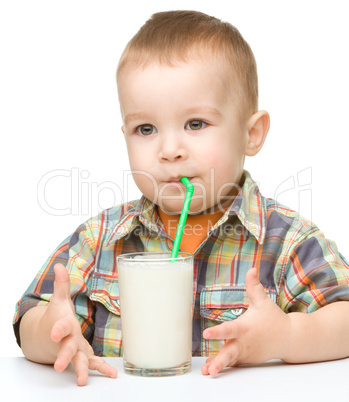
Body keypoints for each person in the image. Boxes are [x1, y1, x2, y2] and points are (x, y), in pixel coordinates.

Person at [13, 10, 349, 386]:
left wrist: (287, 335)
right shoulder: (102, 238)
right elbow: (30, 315)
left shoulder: (286, 241)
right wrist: (51, 333)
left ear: (251, 134)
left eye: (195, 124)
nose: (169, 150)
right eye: (146, 128)